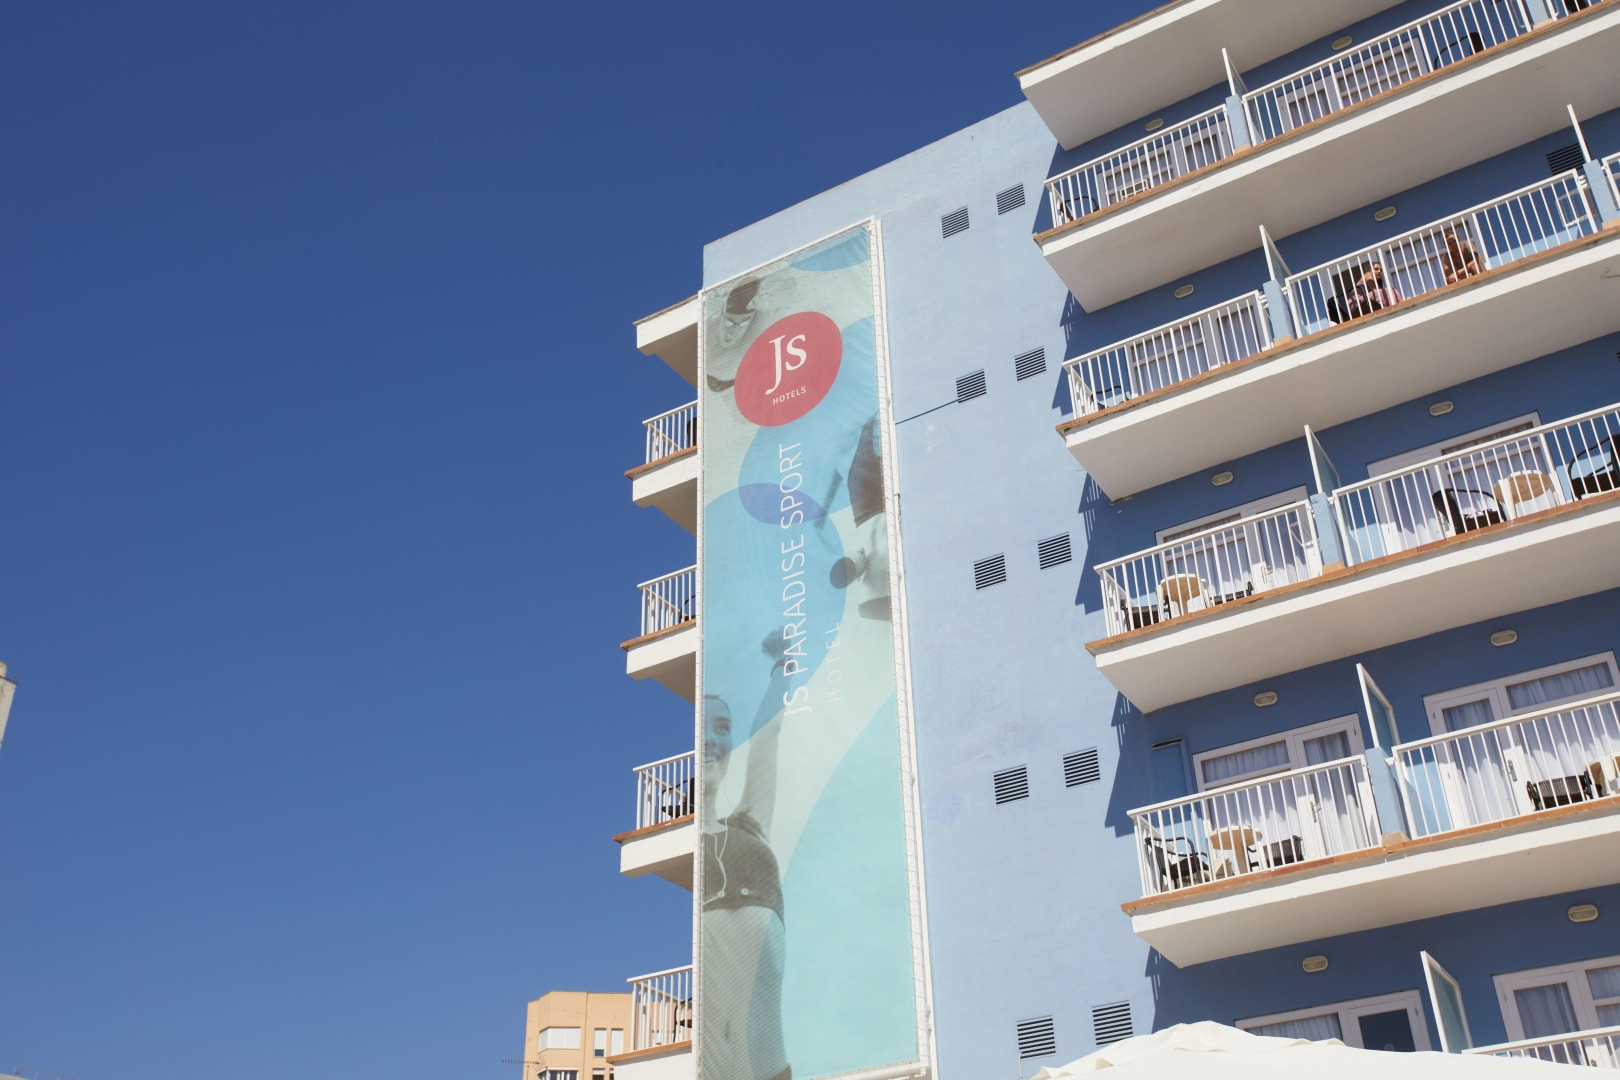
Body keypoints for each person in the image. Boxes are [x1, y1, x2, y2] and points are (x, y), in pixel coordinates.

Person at [700, 642, 793, 1080]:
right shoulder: (679, 848)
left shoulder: (749, 823)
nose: (712, 739)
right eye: (701, 728)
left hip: (770, 1066)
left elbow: (766, 737)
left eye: (723, 728)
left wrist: (782, 668)